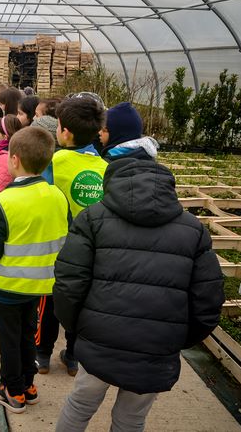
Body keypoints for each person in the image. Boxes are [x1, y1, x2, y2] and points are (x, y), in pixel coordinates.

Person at [54, 157, 224, 431]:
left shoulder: (92, 218)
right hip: (156, 349)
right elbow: (209, 301)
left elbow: (68, 283)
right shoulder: (194, 230)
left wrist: (77, 328)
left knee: (79, 406)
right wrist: (175, 339)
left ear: (111, 184)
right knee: (131, 419)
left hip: (100, 339)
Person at [0, 127, 69, 414]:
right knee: (27, 335)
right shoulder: (57, 197)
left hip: (6, 290)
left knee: (9, 340)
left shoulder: (4, 203)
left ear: (14, 160)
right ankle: (28, 385)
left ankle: (12, 390)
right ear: (47, 162)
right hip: (40, 287)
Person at [36, 94, 107, 377]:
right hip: (92, 252)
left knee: (51, 301)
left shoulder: (54, 162)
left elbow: (43, 200)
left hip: (58, 252)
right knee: (81, 305)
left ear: (64, 131)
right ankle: (74, 356)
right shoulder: (105, 167)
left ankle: (42, 356)